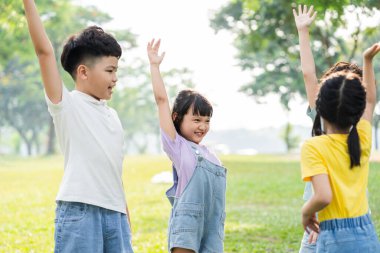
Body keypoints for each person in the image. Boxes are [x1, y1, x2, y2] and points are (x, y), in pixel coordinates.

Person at [23, 1, 133, 252]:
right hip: (80, 213)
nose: (115, 78)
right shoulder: (67, 106)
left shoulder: (113, 117)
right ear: (83, 72)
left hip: (115, 217)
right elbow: (44, 52)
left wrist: (125, 218)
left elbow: (114, 171)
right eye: (110, 70)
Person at [299, 30, 380, 252]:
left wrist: (306, 212)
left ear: (320, 102)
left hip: (328, 227)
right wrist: (368, 60)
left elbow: (323, 196)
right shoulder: (364, 138)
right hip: (365, 230)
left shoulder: (314, 146)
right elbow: (372, 100)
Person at [293, 5, 365, 252]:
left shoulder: (349, 124)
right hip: (345, 222)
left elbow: (307, 73)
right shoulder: (356, 127)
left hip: (325, 220)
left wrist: (303, 31)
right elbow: (308, 73)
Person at [147, 39, 227, 253]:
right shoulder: (177, 146)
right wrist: (155, 66)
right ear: (177, 117)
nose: (202, 126)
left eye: (207, 121)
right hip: (188, 224)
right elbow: (161, 100)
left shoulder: (210, 153)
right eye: (196, 120)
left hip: (212, 226)